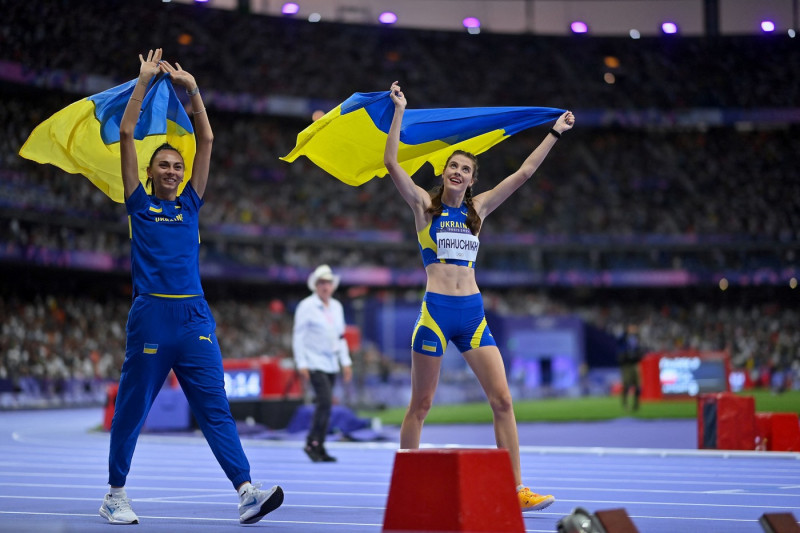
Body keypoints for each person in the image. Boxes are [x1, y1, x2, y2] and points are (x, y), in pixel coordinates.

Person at [99, 49, 283, 525]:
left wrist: (194, 90)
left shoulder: (191, 205)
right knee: (133, 408)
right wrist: (142, 83)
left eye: (177, 167)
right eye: (164, 165)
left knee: (216, 408)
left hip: (195, 316)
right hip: (152, 316)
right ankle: (115, 493)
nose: (173, 171)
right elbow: (124, 132)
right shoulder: (138, 204)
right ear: (149, 173)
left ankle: (246, 491)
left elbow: (206, 137)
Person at [384, 81, 574, 512]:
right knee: (422, 404)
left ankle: (516, 488)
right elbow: (391, 162)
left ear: (472, 181)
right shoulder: (423, 207)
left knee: (503, 400)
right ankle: (409, 485)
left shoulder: (480, 210)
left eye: (465, 169)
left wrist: (554, 132)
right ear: (443, 172)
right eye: (452, 165)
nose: (457, 172)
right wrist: (400, 111)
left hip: (471, 314)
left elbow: (523, 174)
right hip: (435, 313)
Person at [292, 264, 353, 462]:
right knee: (325, 402)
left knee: (325, 406)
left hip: (331, 362)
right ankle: (312, 442)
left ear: (332, 286)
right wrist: (301, 362)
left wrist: (345, 361)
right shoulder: (306, 306)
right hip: (314, 361)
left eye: (328, 282)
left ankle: (320, 445)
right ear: (316, 286)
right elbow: (298, 336)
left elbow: (341, 336)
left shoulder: (336, 307)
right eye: (321, 283)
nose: (325, 286)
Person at [618, 324, 643, 411]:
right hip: (627, 365)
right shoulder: (624, 338)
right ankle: (625, 403)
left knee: (637, 385)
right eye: (631, 328)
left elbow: (639, 349)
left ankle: (636, 404)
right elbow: (619, 341)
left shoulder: (636, 339)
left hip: (635, 364)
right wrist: (626, 332)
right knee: (627, 384)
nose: (633, 329)